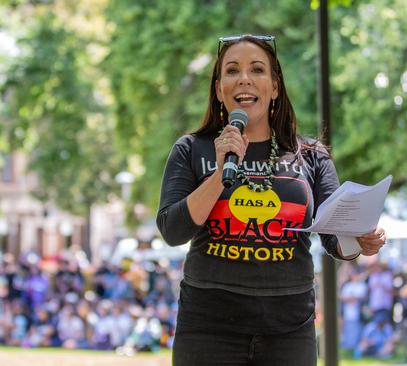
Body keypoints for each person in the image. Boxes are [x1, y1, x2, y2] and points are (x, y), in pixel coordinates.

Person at [156, 33, 388, 366]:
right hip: (209, 327)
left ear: (275, 87)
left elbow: (337, 241)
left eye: (257, 70)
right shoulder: (192, 149)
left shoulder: (311, 157)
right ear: (220, 88)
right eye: (232, 70)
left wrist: (362, 240)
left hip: (289, 329)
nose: (245, 79)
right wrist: (220, 173)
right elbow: (172, 230)